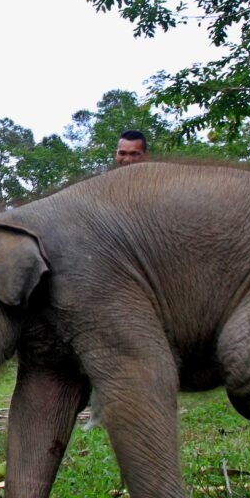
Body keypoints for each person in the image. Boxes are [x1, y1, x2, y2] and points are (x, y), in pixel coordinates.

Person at [83, 130, 149, 431]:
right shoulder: (103, 191)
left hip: (147, 284)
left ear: (144, 156)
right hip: (109, 284)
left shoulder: (155, 188)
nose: (127, 159)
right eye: (123, 153)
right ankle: (100, 415)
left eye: (134, 154)